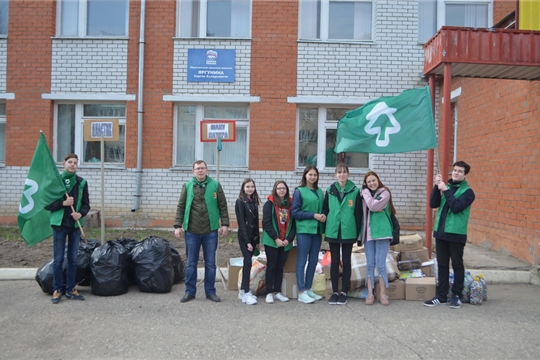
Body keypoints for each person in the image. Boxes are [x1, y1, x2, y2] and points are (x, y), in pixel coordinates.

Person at [174, 160, 230, 303]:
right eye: (197, 168)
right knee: (191, 263)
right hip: (191, 231)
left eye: (202, 168)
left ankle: (210, 292)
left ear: (207, 170)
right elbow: (181, 206)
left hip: (210, 230)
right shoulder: (187, 186)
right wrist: (177, 226)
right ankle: (189, 292)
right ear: (193, 171)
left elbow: (222, 206)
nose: (200, 171)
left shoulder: (215, 185)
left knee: (210, 263)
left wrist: (224, 224)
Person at [424, 161, 475, 309]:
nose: (456, 173)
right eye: (455, 170)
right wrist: (436, 185)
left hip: (456, 234)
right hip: (441, 232)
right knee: (442, 265)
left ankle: (457, 295)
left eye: (460, 171)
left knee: (457, 265)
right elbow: (433, 204)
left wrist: (445, 189)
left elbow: (457, 207)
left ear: (465, 175)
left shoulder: (468, 192)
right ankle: (441, 296)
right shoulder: (448, 187)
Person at [45, 153, 90, 304]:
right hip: (59, 225)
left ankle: (71, 288)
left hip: (75, 226)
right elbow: (47, 204)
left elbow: (86, 204)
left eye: (75, 163)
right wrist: (63, 204)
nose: (72, 164)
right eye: (70, 162)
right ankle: (57, 289)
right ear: (64, 164)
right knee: (58, 259)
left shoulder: (81, 183)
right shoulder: (56, 183)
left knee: (73, 258)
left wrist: (80, 214)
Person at [323, 164, 362, 305]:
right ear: (335, 175)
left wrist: (358, 235)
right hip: (333, 230)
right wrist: (324, 230)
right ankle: (334, 292)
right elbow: (325, 210)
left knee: (346, 262)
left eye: (344, 172)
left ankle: (344, 292)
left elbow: (358, 214)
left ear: (348, 174)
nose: (342, 175)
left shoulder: (355, 191)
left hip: (348, 231)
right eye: (339, 172)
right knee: (334, 262)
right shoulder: (329, 190)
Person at [359, 171, 395, 306]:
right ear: (366, 184)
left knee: (380, 264)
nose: (372, 183)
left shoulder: (385, 193)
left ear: (378, 180)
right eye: (369, 182)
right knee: (370, 264)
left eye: (373, 180)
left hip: (382, 233)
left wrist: (366, 193)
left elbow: (373, 206)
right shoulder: (364, 195)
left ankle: (383, 294)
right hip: (368, 233)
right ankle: (370, 292)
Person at [292, 165, 326, 304]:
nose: (313, 177)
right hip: (304, 230)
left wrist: (323, 216)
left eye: (315, 175)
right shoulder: (299, 191)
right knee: (302, 260)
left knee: (313, 261)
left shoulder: (319, 191)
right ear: (305, 175)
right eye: (310, 174)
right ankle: (301, 291)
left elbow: (323, 208)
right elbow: (295, 212)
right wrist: (314, 215)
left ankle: (308, 288)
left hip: (317, 230)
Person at [261, 180, 296, 304]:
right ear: (275, 190)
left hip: (285, 242)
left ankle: (277, 291)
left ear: (286, 190)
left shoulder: (291, 205)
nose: (281, 190)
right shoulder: (269, 204)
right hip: (272, 241)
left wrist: (288, 239)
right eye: (279, 188)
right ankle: (269, 292)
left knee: (280, 267)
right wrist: (276, 238)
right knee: (271, 266)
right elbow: (266, 223)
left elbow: (294, 225)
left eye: (284, 188)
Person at [235, 178, 261, 305]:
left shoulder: (253, 202)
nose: (250, 189)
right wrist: (247, 242)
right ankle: (245, 292)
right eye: (248, 187)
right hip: (245, 237)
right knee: (247, 263)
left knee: (249, 263)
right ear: (243, 188)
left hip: (253, 237)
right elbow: (242, 224)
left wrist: (257, 241)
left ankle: (243, 291)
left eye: (252, 186)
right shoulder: (240, 202)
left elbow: (256, 223)